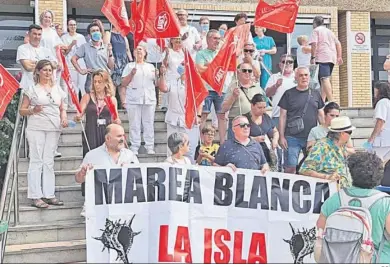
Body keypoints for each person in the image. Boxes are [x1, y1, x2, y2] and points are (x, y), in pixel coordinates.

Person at [316, 152, 390, 263]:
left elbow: (320, 229)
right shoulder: (385, 204)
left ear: (351, 173)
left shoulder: (335, 199)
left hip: (338, 260)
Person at [19, 60, 68, 208]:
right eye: (45, 70)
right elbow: (22, 110)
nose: (48, 73)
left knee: (48, 161)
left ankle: (49, 194)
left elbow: (62, 107)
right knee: (37, 160)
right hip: (37, 127)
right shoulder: (32, 89)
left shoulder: (57, 89)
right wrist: (33, 110)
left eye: (50, 70)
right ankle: (36, 195)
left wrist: (64, 117)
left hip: (53, 127)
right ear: (38, 71)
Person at [75, 124, 139, 216]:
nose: (122, 139)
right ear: (108, 138)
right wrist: (82, 173)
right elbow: (78, 179)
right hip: (98, 211)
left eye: (123, 136)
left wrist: (131, 171)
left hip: (125, 209)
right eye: (119, 136)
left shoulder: (130, 155)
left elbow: (140, 178)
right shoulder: (92, 155)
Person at [278, 66, 325, 174]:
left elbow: (321, 115)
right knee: (290, 167)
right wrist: (281, 136)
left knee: (312, 167)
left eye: (306, 75)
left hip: (311, 137)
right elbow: (282, 116)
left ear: (309, 77)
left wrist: (324, 134)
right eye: (300, 75)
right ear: (296, 77)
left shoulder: (316, 93)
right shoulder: (288, 94)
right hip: (292, 137)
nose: (304, 77)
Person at [120, 45, 158, 155]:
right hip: (134, 98)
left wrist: (159, 74)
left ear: (145, 52)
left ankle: (149, 146)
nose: (139, 51)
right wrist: (131, 74)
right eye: (136, 49)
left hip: (149, 99)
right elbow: (123, 83)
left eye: (141, 49)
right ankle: (135, 146)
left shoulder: (151, 66)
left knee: (149, 123)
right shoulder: (129, 66)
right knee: (134, 123)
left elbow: (157, 83)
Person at [158, 63, 201, 161]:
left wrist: (198, 116)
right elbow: (163, 88)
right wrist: (162, 75)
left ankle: (189, 171)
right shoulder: (173, 82)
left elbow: (200, 101)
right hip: (173, 118)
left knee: (189, 148)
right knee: (172, 146)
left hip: (189, 119)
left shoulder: (195, 83)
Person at [300, 116, 355, 187]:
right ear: (342, 133)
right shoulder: (322, 147)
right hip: (328, 193)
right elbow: (304, 170)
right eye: (350, 132)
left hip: (342, 192)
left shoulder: (341, 146)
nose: (350, 135)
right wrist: (326, 177)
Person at [196, 30, 227, 144]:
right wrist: (212, 66)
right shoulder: (201, 54)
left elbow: (225, 69)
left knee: (222, 116)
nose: (217, 41)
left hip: (220, 88)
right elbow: (199, 68)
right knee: (204, 114)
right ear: (208, 39)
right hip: (206, 88)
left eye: (219, 38)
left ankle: (223, 143)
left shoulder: (222, 54)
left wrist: (210, 66)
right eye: (215, 38)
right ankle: (201, 142)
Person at [265, 54, 296, 171]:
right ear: (279, 64)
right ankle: (277, 169)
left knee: (290, 145)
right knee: (277, 144)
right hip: (278, 116)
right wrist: (276, 85)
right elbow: (267, 94)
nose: (287, 64)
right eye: (284, 62)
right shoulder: (274, 77)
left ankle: (288, 169)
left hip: (293, 117)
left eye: (290, 62)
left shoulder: (296, 77)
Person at [221, 63, 263, 140]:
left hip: (253, 124)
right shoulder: (233, 86)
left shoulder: (257, 87)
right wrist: (233, 97)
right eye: (244, 70)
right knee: (235, 150)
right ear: (238, 72)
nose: (247, 72)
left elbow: (263, 106)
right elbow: (224, 108)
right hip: (237, 123)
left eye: (249, 71)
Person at [71, 22, 114, 93]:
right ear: (89, 34)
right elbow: (73, 59)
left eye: (97, 30)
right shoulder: (85, 47)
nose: (96, 32)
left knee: (107, 102)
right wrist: (81, 71)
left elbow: (111, 66)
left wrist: (110, 52)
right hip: (91, 79)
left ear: (100, 32)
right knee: (92, 102)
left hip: (105, 78)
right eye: (93, 31)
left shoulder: (107, 47)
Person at [309, 16, 343, 102]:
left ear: (314, 23)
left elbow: (314, 44)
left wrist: (313, 57)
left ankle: (331, 101)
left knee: (324, 78)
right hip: (331, 57)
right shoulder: (330, 32)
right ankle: (322, 101)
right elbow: (338, 43)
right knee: (324, 79)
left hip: (322, 57)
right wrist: (339, 56)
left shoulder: (316, 31)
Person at [17, 24, 57, 91]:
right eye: (34, 34)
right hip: (28, 86)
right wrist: (47, 64)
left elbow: (55, 65)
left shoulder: (46, 50)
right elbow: (28, 67)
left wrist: (35, 63)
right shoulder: (22, 48)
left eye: (39, 34)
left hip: (45, 88)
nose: (37, 37)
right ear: (29, 34)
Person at [244, 94, 279, 167]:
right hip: (251, 153)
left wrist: (275, 140)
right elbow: (239, 138)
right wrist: (254, 139)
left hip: (268, 152)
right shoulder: (244, 119)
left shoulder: (266, 117)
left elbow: (275, 131)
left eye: (264, 107)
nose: (262, 110)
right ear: (252, 106)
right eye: (259, 108)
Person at [61, 19, 87, 103]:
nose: (73, 27)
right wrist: (71, 44)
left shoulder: (81, 37)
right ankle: (73, 105)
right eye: (71, 25)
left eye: (74, 25)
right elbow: (64, 53)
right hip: (70, 65)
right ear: (68, 26)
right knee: (73, 86)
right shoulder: (64, 37)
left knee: (82, 85)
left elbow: (85, 52)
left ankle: (83, 105)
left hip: (81, 64)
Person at [367, 82, 390, 163]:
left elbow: (380, 122)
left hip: (382, 141)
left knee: (375, 162)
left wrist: (371, 139)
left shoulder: (382, 102)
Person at [161, 37, 185, 111]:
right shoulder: (168, 51)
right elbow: (164, 65)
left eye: (179, 39)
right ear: (171, 40)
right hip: (171, 79)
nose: (178, 40)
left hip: (182, 80)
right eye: (175, 38)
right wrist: (166, 55)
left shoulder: (184, 52)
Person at [109, 24, 133, 91]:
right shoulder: (109, 34)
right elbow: (107, 48)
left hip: (123, 62)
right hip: (114, 61)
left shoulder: (123, 35)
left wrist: (131, 62)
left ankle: (123, 101)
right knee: (112, 86)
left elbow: (127, 49)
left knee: (123, 87)